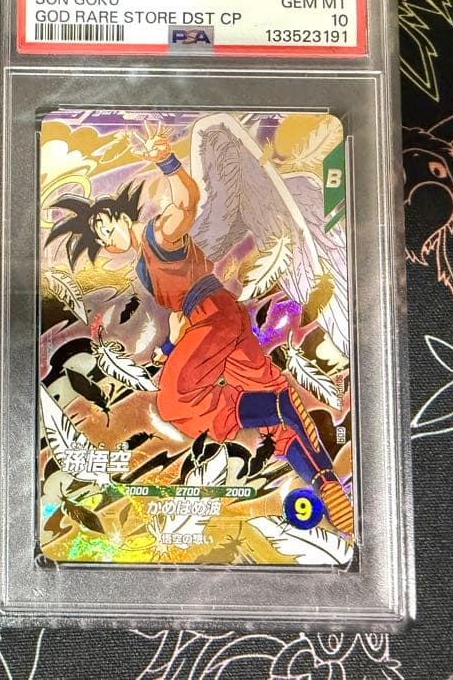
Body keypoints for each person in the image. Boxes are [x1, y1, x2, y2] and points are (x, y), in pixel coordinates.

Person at [45, 124, 353, 537]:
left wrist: (167, 161)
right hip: (215, 319)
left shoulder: (158, 234)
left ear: (120, 215)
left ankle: (280, 406)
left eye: (105, 227)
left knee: (176, 402)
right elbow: (179, 315)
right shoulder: (145, 261)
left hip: (213, 316)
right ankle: (326, 485)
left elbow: (185, 203)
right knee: (275, 426)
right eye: (101, 240)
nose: (107, 239)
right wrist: (172, 346)